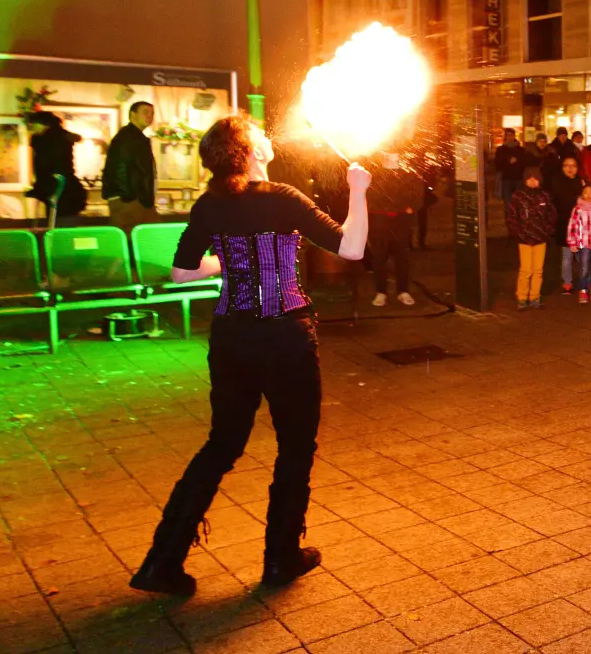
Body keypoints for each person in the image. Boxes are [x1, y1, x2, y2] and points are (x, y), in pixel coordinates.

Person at [130, 114, 369, 596]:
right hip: (285, 339)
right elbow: (352, 248)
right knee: (296, 446)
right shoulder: (283, 198)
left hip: (232, 338)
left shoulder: (210, 203)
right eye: (258, 131)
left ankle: (162, 560)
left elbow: (181, 273)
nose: (267, 134)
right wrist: (359, 189)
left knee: (222, 444)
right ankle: (280, 557)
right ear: (250, 151)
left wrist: (230, 260)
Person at [366, 152, 420, 307]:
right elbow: (367, 192)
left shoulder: (408, 168)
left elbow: (416, 189)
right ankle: (381, 292)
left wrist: (412, 206)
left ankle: (402, 291)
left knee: (401, 255)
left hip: (400, 218)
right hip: (379, 218)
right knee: (379, 256)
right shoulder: (373, 170)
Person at [507, 167, 557, 310]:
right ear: (525, 180)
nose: (533, 181)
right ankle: (522, 297)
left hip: (540, 238)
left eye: (535, 178)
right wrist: (518, 232)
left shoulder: (545, 196)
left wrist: (547, 230)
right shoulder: (518, 196)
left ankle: (535, 296)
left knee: (538, 270)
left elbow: (551, 215)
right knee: (525, 270)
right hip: (524, 238)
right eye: (530, 178)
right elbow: (512, 216)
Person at [25, 111, 87, 225]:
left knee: (59, 223)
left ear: (44, 124)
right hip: (64, 188)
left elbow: (47, 167)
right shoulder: (58, 138)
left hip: (58, 188)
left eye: (32, 124)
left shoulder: (47, 142)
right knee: (63, 222)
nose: (30, 128)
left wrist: (40, 187)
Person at [104, 101, 158, 229]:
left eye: (152, 113)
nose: (149, 116)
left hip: (137, 199)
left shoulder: (134, 137)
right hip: (131, 200)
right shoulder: (128, 138)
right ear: (133, 115)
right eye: (145, 112)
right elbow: (121, 168)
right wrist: (128, 196)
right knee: (135, 238)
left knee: (146, 237)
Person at [548, 156, 587, 294]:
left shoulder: (581, 182)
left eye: (573, 166)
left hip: (581, 224)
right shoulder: (557, 182)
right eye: (567, 165)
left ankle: (584, 280)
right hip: (564, 223)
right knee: (567, 256)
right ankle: (567, 282)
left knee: (582, 255)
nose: (570, 169)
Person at [493, 128, 527, 215]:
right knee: (508, 201)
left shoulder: (520, 149)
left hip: (518, 178)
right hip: (506, 178)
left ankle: (518, 218)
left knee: (519, 201)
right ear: (505, 137)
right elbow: (497, 165)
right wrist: (508, 162)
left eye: (511, 135)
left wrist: (517, 162)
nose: (510, 137)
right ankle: (509, 218)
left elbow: (524, 163)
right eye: (508, 135)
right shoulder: (501, 149)